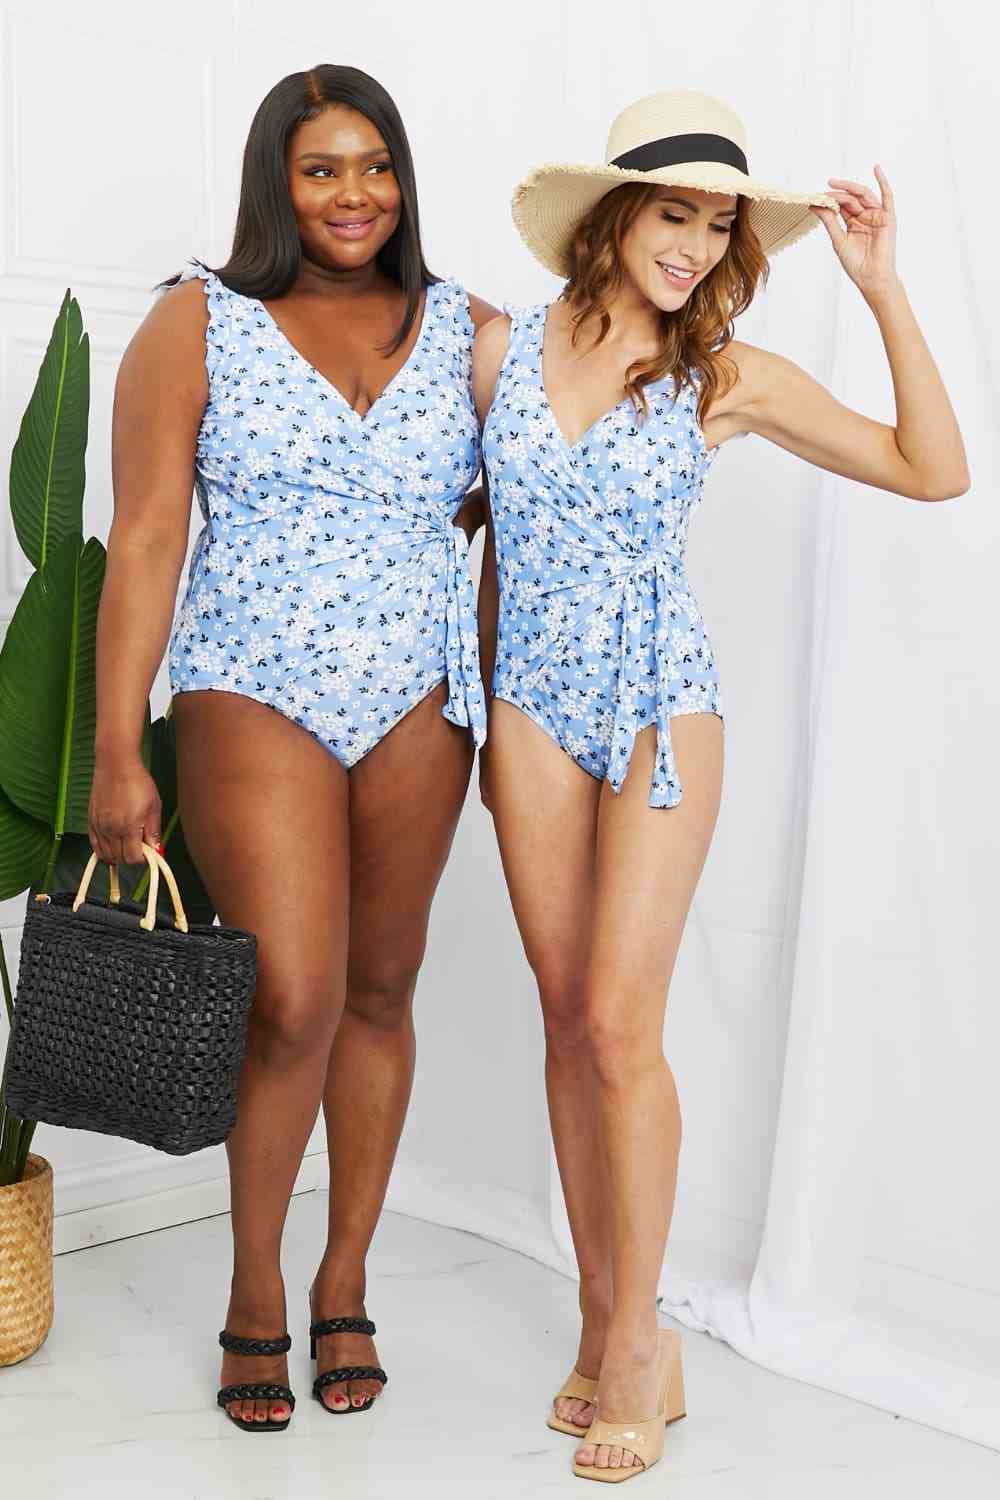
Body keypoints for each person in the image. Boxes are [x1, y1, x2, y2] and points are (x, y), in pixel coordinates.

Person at [472, 89, 968, 1484]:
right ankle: (602, 1321)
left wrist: (881, 290)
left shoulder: (724, 375)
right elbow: (479, 530)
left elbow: (934, 470)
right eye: (673, 214)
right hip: (527, 706)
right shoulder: (504, 348)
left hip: (658, 705)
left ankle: (641, 1346)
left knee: (620, 1026)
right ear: (613, 214)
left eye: (716, 224)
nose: (694, 245)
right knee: (564, 1018)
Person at [89, 63, 497, 1432]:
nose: (354, 194)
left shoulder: (468, 329)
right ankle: (255, 1283)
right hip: (253, 681)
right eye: (321, 168)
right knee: (293, 998)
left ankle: (344, 1278)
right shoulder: (197, 320)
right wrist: (117, 746)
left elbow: (530, 496)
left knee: (381, 988)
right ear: (277, 181)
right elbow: (149, 535)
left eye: (375, 166)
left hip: (419, 697)